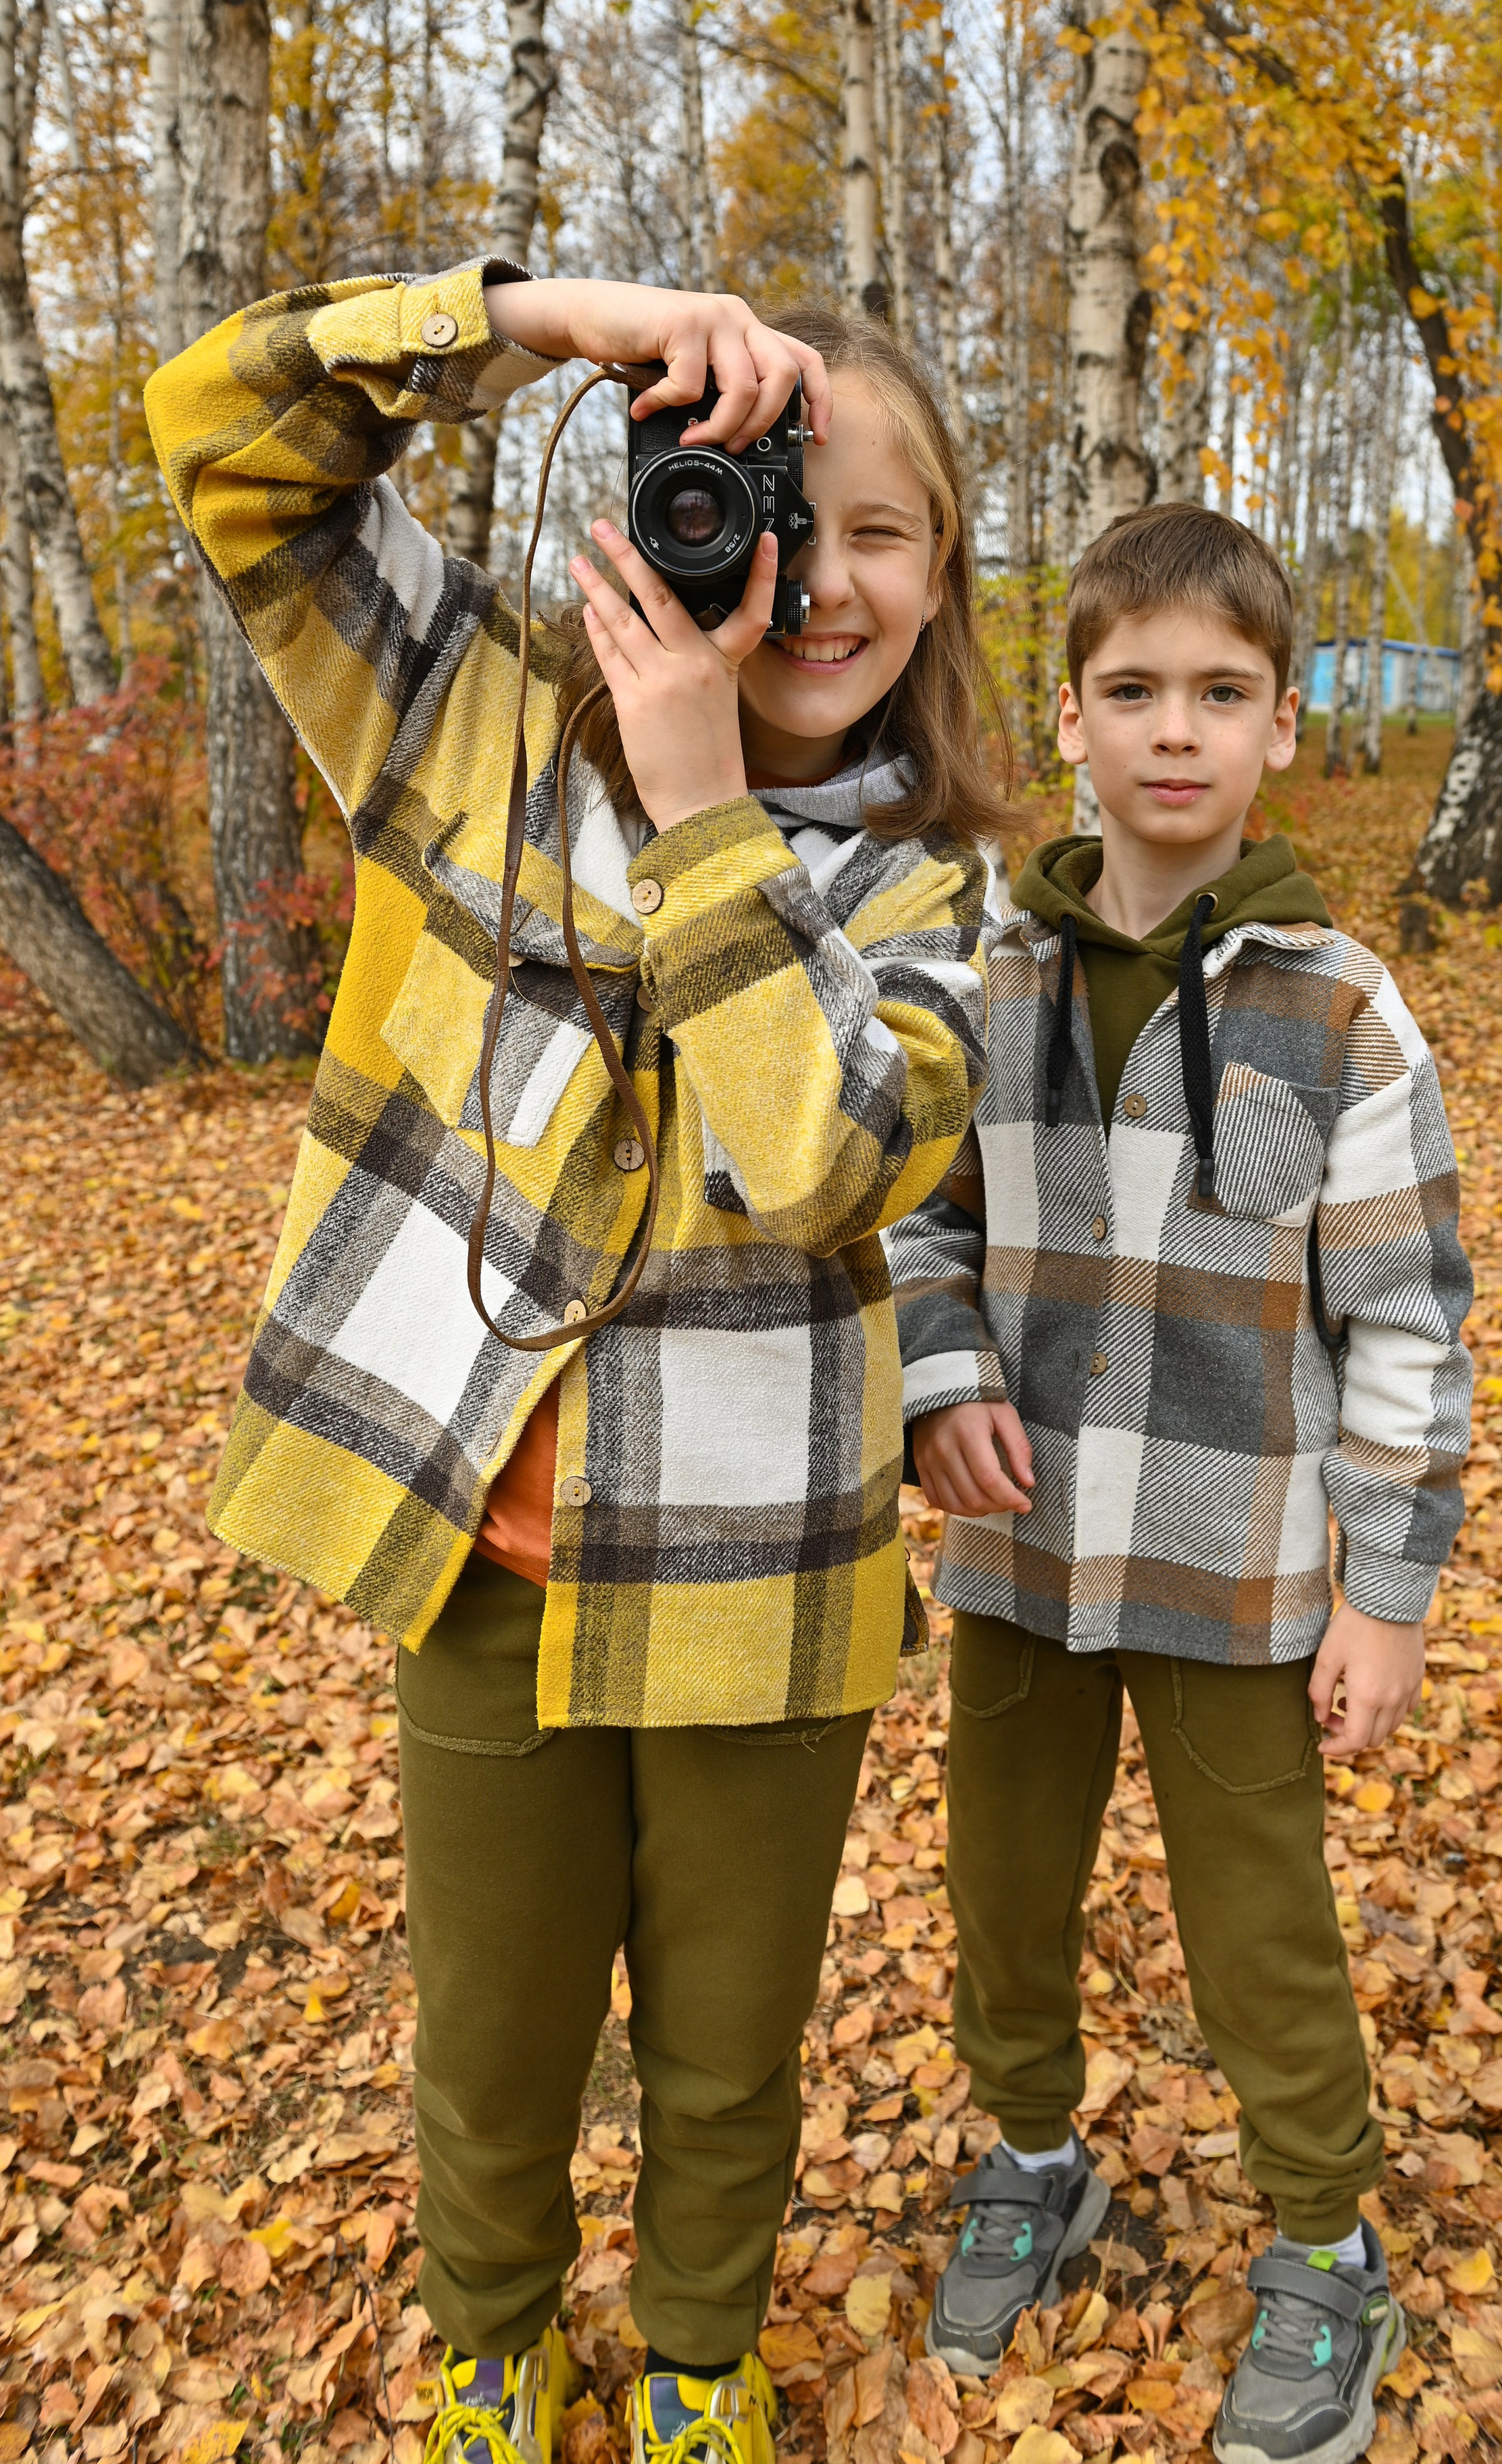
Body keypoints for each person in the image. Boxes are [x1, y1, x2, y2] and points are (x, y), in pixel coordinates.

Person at [145, 270, 1008, 2464]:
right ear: (656, 502)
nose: (808, 578)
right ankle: (494, 2352)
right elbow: (223, 443)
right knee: (497, 2038)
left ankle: (704, 2364)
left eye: (877, 533)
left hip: (770, 1585)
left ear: (948, 582)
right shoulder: (472, 733)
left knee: (732, 2048)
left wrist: (714, 806)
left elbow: (824, 1153)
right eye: (761, 505)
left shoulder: (938, 898)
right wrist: (534, 312)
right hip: (487, 1567)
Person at [887, 503, 1472, 2464]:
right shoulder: (985, 978)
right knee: (1005, 1895)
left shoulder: (1345, 1009)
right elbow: (917, 1229)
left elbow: (1405, 1321)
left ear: (1284, 728)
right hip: (1025, 1552)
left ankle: (1326, 2248)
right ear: (1068, 718)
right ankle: (1035, 2158)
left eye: (1222, 694)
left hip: (1239, 1571)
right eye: (1132, 690)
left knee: (1261, 1923)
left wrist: (1386, 1593)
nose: (1175, 732)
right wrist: (941, 1381)